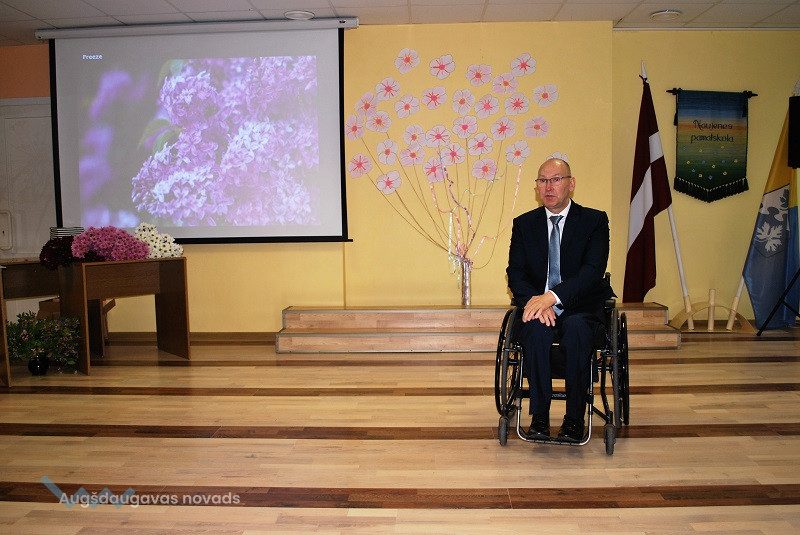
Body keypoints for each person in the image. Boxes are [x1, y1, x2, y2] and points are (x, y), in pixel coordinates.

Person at [506, 157, 612, 442]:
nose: (548, 187)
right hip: (537, 308)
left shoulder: (594, 221)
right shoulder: (524, 224)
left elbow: (592, 271)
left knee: (577, 330)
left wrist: (551, 297)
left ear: (571, 183)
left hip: (580, 307)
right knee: (535, 331)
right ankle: (539, 417)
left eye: (555, 179)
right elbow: (515, 273)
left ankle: (574, 418)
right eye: (542, 181)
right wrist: (536, 302)